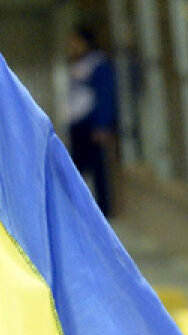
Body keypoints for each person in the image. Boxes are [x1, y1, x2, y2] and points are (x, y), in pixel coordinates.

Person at [66, 25, 118, 217]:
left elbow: (105, 95)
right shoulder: (78, 63)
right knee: (77, 168)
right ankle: (80, 210)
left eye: (74, 42)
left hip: (91, 123)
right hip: (78, 122)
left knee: (98, 170)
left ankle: (103, 210)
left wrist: (102, 124)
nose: (71, 46)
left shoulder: (97, 63)